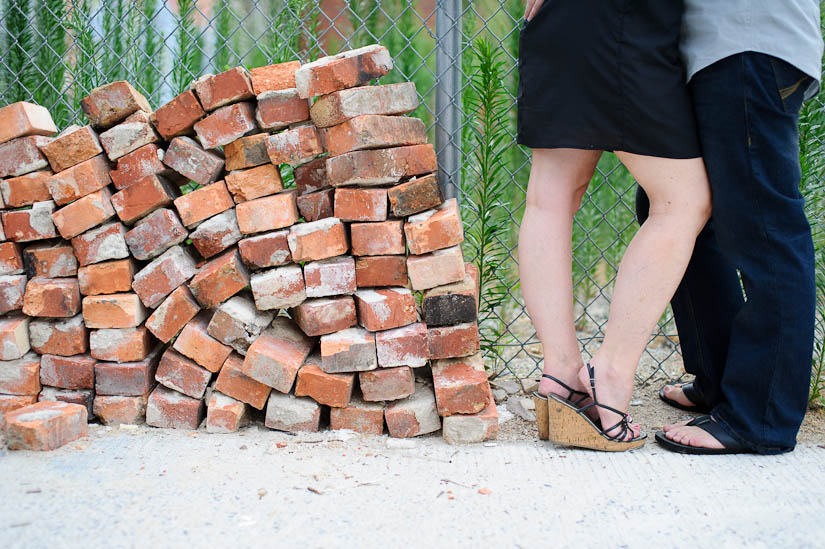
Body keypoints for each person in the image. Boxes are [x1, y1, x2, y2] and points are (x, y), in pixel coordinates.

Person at [517, 0, 711, 451]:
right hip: (626, 20)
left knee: (550, 198)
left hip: (561, 20)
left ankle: (561, 373)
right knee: (683, 200)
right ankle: (612, 373)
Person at [635, 1, 824, 454]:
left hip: (747, 45)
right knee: (675, 206)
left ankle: (760, 417)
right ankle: (722, 382)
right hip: (724, 49)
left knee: (764, 229)